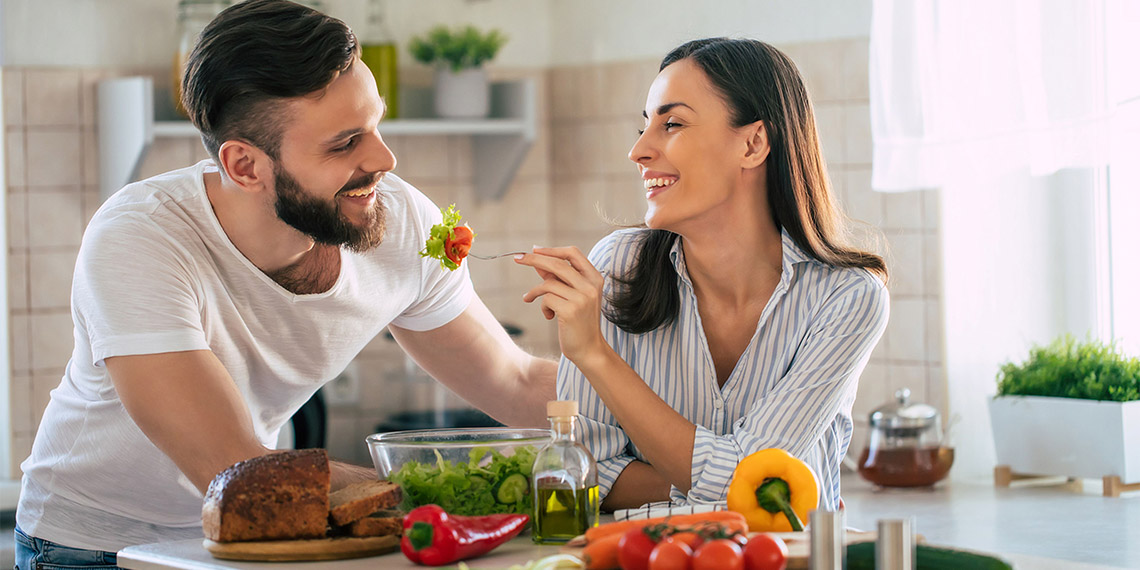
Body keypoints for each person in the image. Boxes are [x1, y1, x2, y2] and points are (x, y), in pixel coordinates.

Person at [14, 0, 555, 564]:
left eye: (376, 125)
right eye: (345, 143)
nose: (385, 159)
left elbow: (513, 381)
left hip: (264, 534)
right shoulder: (141, 237)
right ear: (245, 166)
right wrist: (456, 496)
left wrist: (646, 412)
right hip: (94, 544)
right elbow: (234, 465)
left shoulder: (397, 220)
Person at [515, 38, 889, 512]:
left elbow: (752, 480)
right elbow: (584, 473)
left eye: (671, 124)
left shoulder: (847, 297)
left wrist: (595, 355)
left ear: (752, 144)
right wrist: (717, 485)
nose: (638, 151)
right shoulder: (616, 267)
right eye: (644, 126)